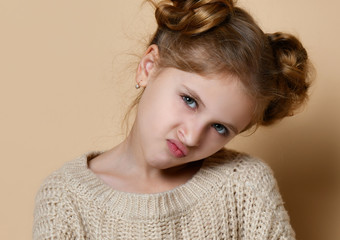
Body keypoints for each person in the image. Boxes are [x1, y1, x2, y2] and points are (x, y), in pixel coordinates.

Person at [33, 0, 312, 239]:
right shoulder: (66, 198)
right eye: (189, 101)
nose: (191, 137)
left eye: (219, 127)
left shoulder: (245, 186)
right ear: (148, 68)